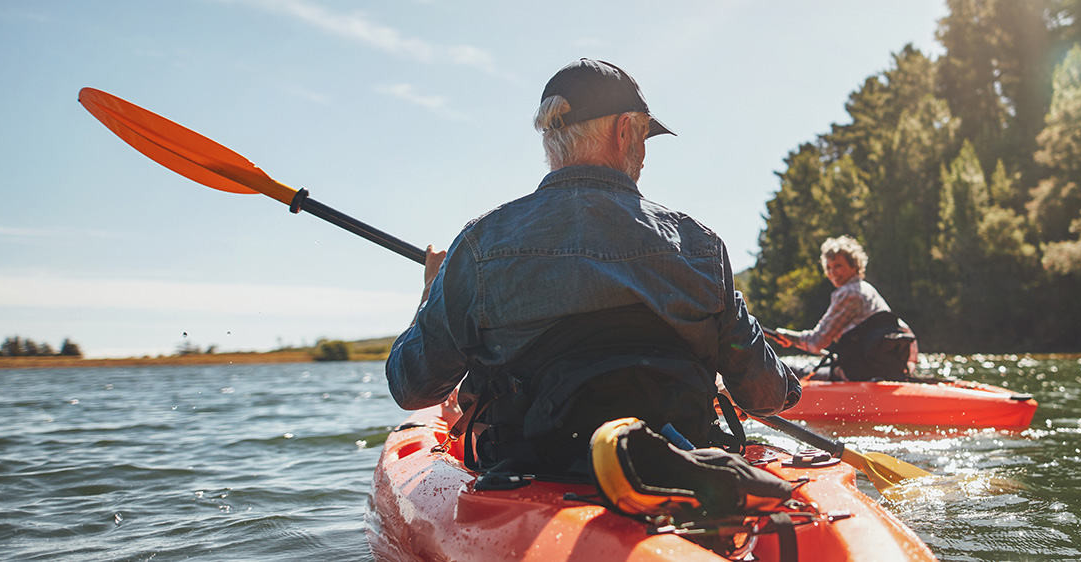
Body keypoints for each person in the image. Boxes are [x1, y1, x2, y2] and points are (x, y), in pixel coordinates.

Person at [385, 58, 801, 477]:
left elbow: (412, 386)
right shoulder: (701, 247)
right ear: (623, 132)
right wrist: (788, 384)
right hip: (680, 469)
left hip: (532, 474)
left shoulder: (479, 246)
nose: (643, 154)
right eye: (643, 137)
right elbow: (763, 394)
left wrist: (431, 293)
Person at [773, 235, 918, 381]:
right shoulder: (867, 290)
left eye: (838, 266)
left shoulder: (847, 293)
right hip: (877, 370)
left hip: (856, 374)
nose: (832, 273)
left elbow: (816, 342)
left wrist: (789, 337)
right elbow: (904, 330)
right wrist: (910, 364)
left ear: (854, 266)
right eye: (828, 268)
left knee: (784, 368)